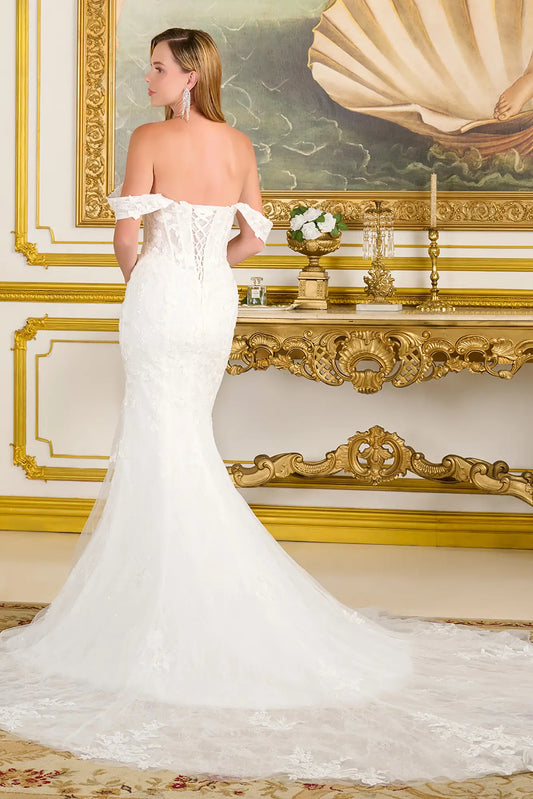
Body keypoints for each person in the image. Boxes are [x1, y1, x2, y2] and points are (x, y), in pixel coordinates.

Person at [0, 28, 532, 787]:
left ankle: (161, 605)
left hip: (159, 300)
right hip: (212, 303)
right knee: (182, 439)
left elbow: (126, 239)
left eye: (156, 67)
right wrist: (203, 273)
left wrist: (151, 281)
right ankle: (182, 597)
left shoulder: (151, 135)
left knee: (160, 439)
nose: (146, 77)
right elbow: (254, 237)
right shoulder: (241, 142)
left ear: (187, 76)